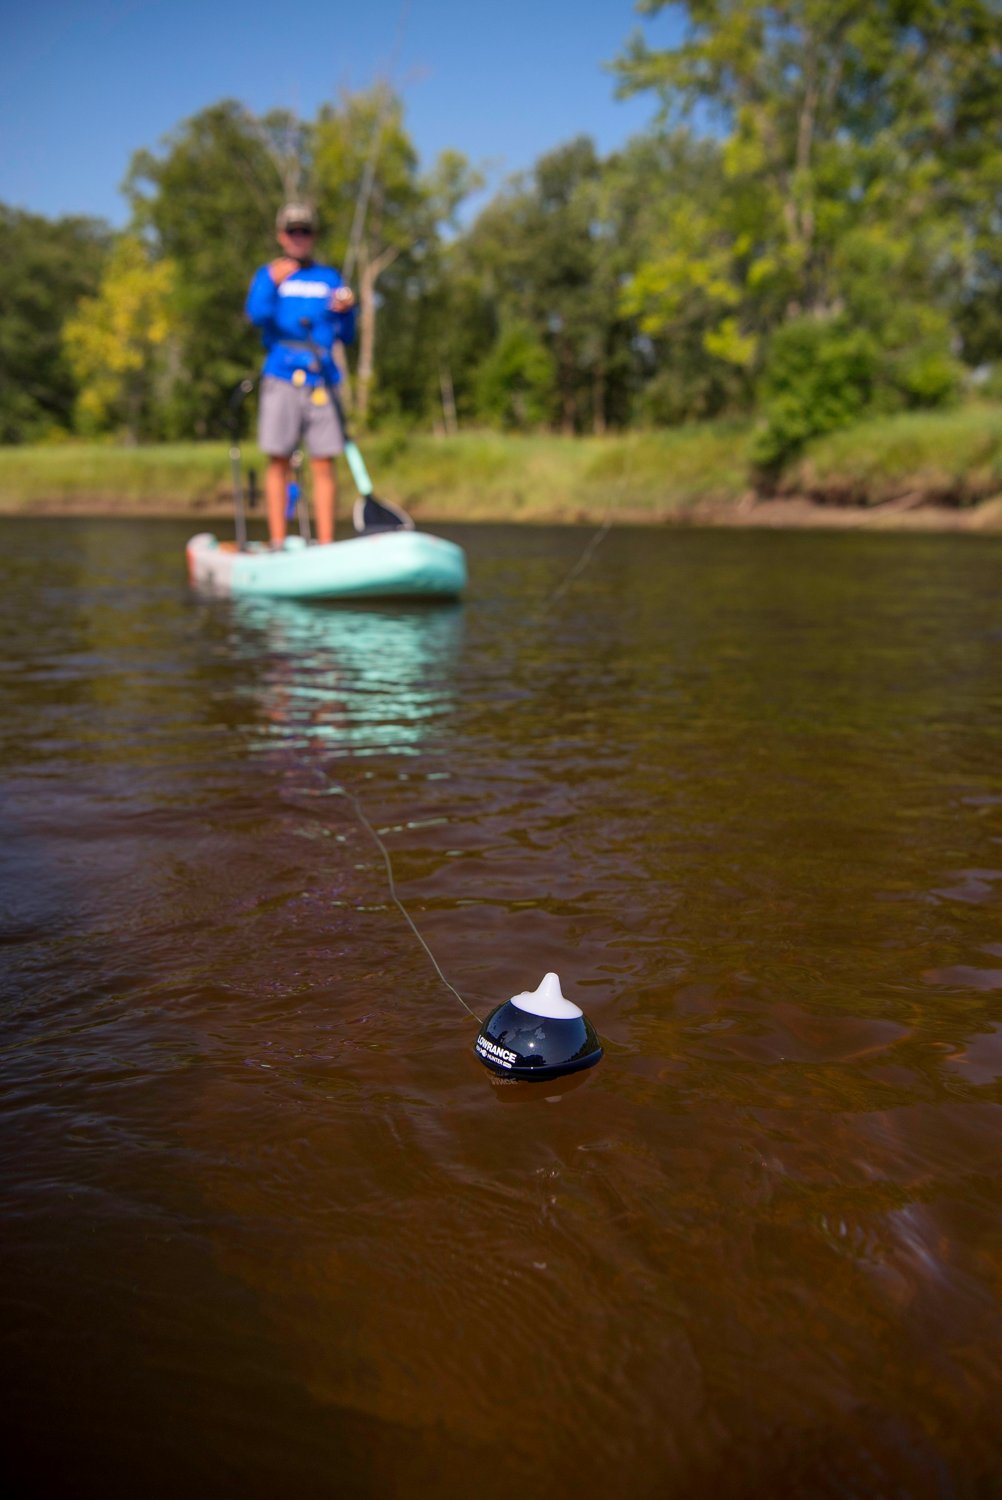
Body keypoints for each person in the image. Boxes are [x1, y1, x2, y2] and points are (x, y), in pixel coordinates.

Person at [245, 203, 356, 547]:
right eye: (292, 231)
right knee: (278, 458)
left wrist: (349, 310)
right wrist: (269, 282)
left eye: (305, 231)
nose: (299, 237)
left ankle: (325, 545)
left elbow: (347, 334)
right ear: (281, 235)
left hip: (322, 376)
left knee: (324, 462)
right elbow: (256, 315)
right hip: (281, 375)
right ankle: (278, 541)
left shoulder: (329, 278)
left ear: (313, 236)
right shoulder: (270, 275)